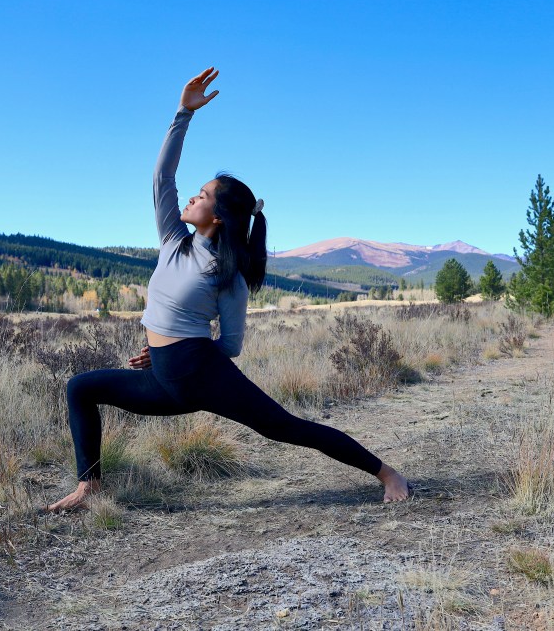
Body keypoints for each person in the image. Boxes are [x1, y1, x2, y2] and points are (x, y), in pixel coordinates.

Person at [45, 68, 411, 512]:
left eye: (201, 195)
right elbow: (162, 178)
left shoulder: (227, 273)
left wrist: (188, 348)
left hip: (202, 376)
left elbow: (231, 345)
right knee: (81, 388)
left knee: (286, 428)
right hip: (164, 378)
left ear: (217, 216)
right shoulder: (172, 241)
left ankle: (386, 472)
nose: (191, 198)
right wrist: (183, 113)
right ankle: (89, 488)